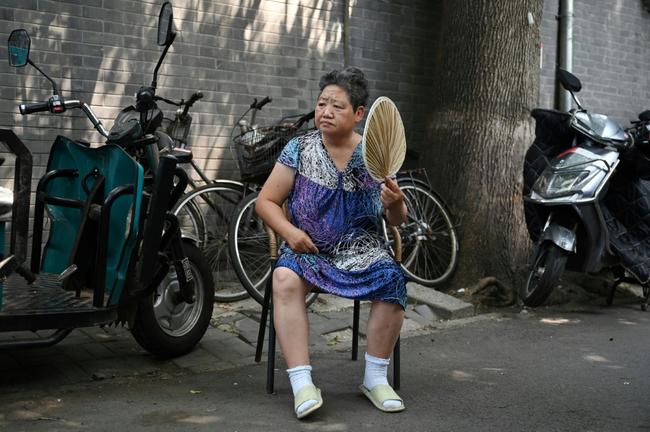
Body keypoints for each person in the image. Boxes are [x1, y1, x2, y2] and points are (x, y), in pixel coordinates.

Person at [255, 66, 408, 419]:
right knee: (284, 277)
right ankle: (302, 382)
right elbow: (266, 201)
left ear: (358, 114)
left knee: (392, 278)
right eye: (322, 103)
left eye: (336, 106)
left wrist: (395, 203)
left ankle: (375, 379)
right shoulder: (299, 148)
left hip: (364, 251)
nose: (325, 112)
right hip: (309, 249)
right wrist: (290, 233)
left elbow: (397, 221)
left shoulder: (376, 154)